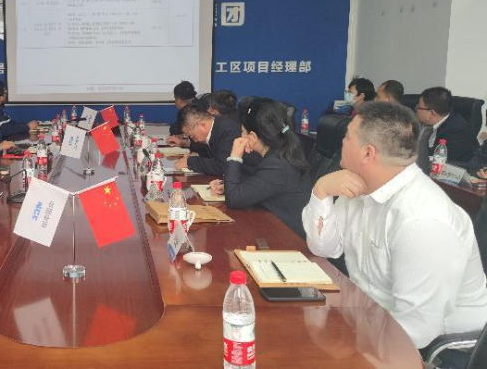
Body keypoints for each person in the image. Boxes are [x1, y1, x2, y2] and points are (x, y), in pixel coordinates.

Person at [302, 101, 487, 351]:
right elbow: (325, 248)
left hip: (439, 351)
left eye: (346, 137)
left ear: (368, 153)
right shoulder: (359, 186)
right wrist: (321, 191)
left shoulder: (421, 221)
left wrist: (347, 342)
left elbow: (417, 331)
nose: (341, 142)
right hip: (371, 321)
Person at [209, 98, 311, 238]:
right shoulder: (278, 153)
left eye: (242, 132)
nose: (240, 136)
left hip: (290, 238)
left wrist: (235, 156)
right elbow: (261, 183)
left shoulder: (277, 164)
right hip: (274, 227)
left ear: (252, 136)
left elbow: (234, 200)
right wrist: (229, 186)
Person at [173, 104, 239, 176]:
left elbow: (224, 166)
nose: (195, 141)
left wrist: (190, 162)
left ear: (202, 125)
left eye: (192, 136)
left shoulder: (228, 130)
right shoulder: (216, 127)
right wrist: (196, 156)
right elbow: (214, 157)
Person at [416, 87, 476, 163]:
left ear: (432, 113)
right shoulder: (433, 121)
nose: (416, 109)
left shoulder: (456, 131)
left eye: (418, 107)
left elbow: (438, 158)